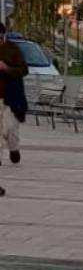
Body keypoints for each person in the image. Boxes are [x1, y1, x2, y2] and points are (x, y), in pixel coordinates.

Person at [0, 23, 28, 166]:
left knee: (10, 127)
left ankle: (14, 148)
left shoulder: (13, 49)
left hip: (10, 97)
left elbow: (24, 70)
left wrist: (7, 68)